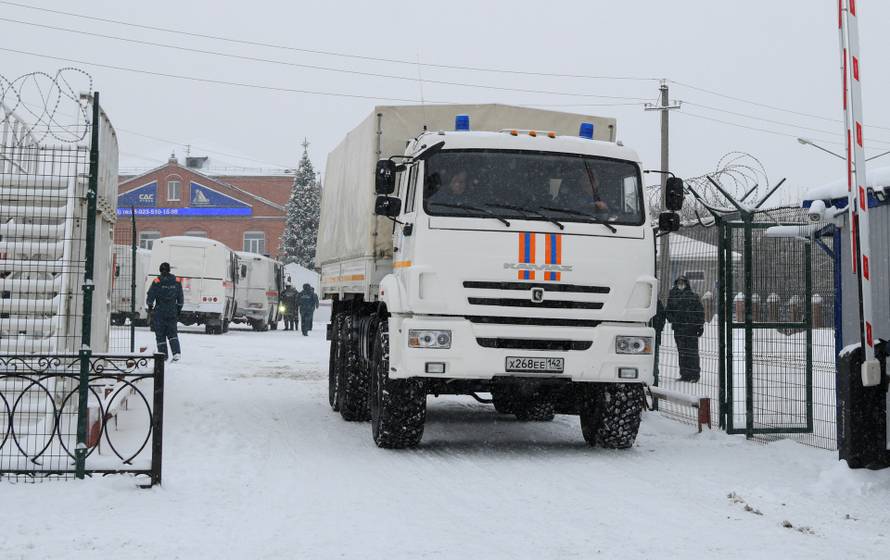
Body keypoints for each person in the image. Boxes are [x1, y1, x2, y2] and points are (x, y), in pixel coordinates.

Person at [665, 275, 705, 382]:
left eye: (682, 282)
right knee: (682, 352)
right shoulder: (673, 296)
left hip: (691, 329)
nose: (681, 285)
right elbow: (668, 311)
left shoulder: (693, 296)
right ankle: (685, 374)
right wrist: (673, 320)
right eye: (679, 283)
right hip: (679, 329)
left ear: (686, 284)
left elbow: (700, 312)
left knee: (692, 352)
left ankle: (694, 375)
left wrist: (700, 325)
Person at [146, 262, 183, 362]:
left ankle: (163, 355)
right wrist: (178, 309)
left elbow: (150, 295)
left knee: (160, 334)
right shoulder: (176, 281)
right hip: (172, 311)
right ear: (169, 270)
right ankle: (176, 353)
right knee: (172, 333)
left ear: (160, 270)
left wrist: (150, 306)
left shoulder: (157, 281)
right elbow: (180, 297)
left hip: (160, 311)